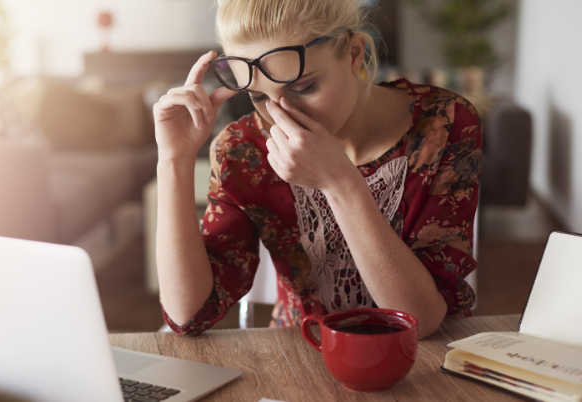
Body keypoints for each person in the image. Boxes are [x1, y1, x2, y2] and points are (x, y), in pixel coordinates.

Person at [153, 0, 481, 339]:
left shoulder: (445, 123)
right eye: (258, 97)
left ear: (355, 54)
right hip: (300, 355)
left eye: (302, 88)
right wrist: (174, 160)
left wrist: (340, 183)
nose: (282, 116)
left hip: (423, 365)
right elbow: (189, 315)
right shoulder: (244, 149)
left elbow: (421, 321)